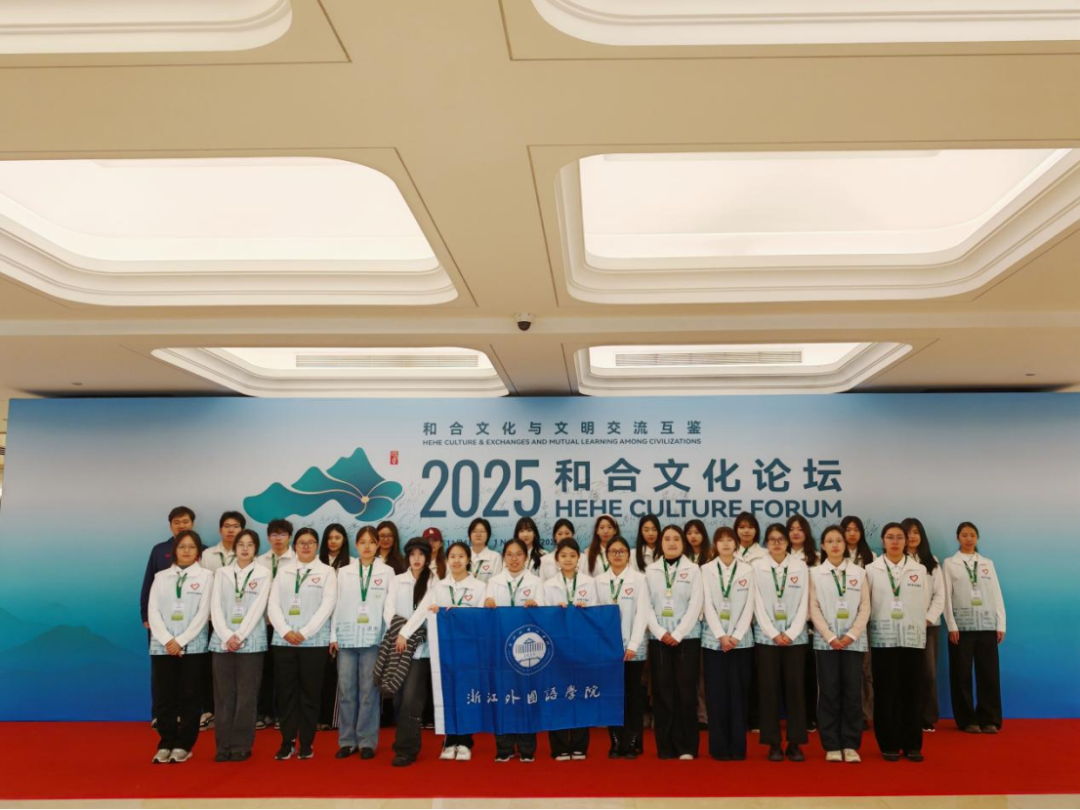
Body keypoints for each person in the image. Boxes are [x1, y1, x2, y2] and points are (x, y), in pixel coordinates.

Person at [402, 541, 488, 761]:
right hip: (445, 651)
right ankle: (449, 741)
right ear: (447, 560)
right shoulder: (439, 587)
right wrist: (404, 633)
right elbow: (422, 612)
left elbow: (482, 617)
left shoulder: (480, 587)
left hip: (469, 650)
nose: (456, 560)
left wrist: (458, 611)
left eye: (461, 556)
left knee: (466, 695)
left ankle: (465, 742)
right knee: (448, 695)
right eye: (452, 557)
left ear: (468, 560)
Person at [267, 527, 339, 760]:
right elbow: (273, 604)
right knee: (286, 693)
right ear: (295, 546)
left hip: (314, 643)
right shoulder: (284, 571)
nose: (306, 546)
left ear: (317, 546)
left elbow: (328, 605)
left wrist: (305, 632)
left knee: (310, 694)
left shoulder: (327, 572)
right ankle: (287, 742)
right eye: (301, 542)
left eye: (310, 542)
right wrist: (286, 631)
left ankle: (307, 743)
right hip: (284, 641)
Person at [147, 529, 213, 764]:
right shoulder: (161, 577)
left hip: (192, 646)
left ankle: (184, 745)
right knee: (164, 696)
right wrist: (168, 640)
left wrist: (181, 641)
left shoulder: (206, 577)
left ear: (198, 552)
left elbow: (203, 613)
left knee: (190, 697)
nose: (186, 551)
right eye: (182, 546)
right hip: (162, 646)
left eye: (191, 547)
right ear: (174, 550)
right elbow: (153, 611)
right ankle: (166, 742)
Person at [865, 522, 928, 762]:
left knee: (912, 692)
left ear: (906, 540)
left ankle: (912, 744)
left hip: (912, 638)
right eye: (890, 537)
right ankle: (888, 744)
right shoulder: (871, 569)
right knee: (886, 692)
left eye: (899, 537)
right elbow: (867, 604)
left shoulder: (918, 569)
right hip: (883, 639)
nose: (895, 541)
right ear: (883, 541)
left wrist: (922, 621)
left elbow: (924, 601)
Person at [809, 525, 870, 764]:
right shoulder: (815, 573)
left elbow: (865, 606)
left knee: (852, 692)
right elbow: (813, 607)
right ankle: (831, 744)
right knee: (829, 691)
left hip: (853, 642)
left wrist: (852, 634)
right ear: (823, 546)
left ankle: (850, 744)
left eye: (839, 541)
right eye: (830, 541)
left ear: (845, 545)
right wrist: (829, 636)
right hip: (826, 642)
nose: (835, 545)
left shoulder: (859, 573)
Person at [330, 525, 393, 760]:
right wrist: (333, 636)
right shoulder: (344, 571)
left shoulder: (387, 572)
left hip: (373, 639)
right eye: (363, 542)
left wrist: (387, 637)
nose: (367, 546)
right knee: (346, 691)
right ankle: (347, 741)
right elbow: (336, 604)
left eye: (372, 542)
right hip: (346, 638)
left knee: (369, 692)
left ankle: (367, 741)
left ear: (378, 545)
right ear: (356, 545)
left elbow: (389, 607)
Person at [209, 528, 271, 762]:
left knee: (247, 695)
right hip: (222, 642)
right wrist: (227, 635)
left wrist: (241, 634)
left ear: (256, 549)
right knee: (224, 696)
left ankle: (241, 745)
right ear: (234, 548)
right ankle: (222, 746)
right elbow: (215, 606)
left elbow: (258, 607)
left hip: (251, 642)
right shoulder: (222, 573)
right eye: (241, 544)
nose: (245, 549)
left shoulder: (263, 573)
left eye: (250, 545)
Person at [644, 525, 704, 761]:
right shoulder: (651, 570)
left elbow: (696, 604)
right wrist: (660, 632)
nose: (671, 543)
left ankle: (686, 746)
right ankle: (665, 746)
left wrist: (678, 633)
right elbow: (646, 605)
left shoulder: (693, 570)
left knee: (686, 693)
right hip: (659, 639)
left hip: (687, 638)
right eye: (667, 539)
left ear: (683, 543)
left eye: (676, 539)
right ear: (661, 543)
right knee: (663, 692)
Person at [752, 523, 810, 762]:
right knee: (768, 690)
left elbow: (805, 601)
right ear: (766, 543)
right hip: (766, 638)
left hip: (796, 638)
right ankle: (773, 743)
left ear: (788, 542)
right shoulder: (757, 567)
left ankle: (795, 743)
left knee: (796, 690)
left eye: (781, 539)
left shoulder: (800, 566)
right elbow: (756, 603)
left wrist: (792, 632)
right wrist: (773, 633)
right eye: (772, 539)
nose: (776, 543)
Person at [484, 538, 546, 761]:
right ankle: (504, 747)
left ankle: (527, 748)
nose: (514, 559)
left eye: (518, 554)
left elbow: (544, 614)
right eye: (509, 554)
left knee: (526, 695)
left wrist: (536, 606)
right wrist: (487, 604)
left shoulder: (535, 582)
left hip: (526, 650)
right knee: (503, 696)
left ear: (526, 557)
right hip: (500, 647)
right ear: (504, 557)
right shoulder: (494, 582)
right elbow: (484, 615)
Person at [943, 521, 1006, 734]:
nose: (968, 539)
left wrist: (1000, 624)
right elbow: (946, 597)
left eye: (972, 535)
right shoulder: (950, 564)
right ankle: (967, 719)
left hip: (987, 625)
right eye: (964, 535)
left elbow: (996, 593)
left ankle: (990, 719)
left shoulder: (987, 563)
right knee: (961, 674)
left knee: (989, 674)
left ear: (977, 538)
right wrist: (951, 625)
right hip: (961, 628)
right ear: (958, 538)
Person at [700, 526, 756, 761]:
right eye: (720, 540)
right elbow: (707, 604)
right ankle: (719, 747)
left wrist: (736, 635)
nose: (725, 544)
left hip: (741, 642)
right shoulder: (706, 569)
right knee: (716, 694)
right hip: (714, 641)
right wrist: (721, 635)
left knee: (739, 694)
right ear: (715, 545)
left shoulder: (747, 570)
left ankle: (738, 746)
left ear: (736, 544)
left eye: (729, 540)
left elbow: (750, 605)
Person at [139, 506, 196, 727]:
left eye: (185, 521)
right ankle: (160, 714)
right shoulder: (159, 550)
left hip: (191, 624)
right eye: (177, 522)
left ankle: (184, 714)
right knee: (161, 672)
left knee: (188, 673)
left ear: (192, 523)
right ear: (170, 525)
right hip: (160, 623)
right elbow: (148, 584)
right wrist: (146, 614)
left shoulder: (201, 549)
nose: (181, 525)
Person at [544, 538, 599, 760]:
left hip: (582, 648)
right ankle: (558, 746)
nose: (568, 559)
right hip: (556, 649)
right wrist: (553, 611)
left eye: (572, 555)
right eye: (563, 555)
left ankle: (579, 745)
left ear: (579, 558)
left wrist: (587, 610)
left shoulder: (589, 583)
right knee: (556, 694)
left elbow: (597, 615)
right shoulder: (548, 585)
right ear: (557, 559)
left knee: (580, 694)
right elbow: (542, 618)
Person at [596, 536, 648, 759]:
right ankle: (616, 742)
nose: (617, 555)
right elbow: (596, 615)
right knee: (613, 694)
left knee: (633, 694)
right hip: (608, 649)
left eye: (622, 551)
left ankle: (633, 741)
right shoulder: (598, 581)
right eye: (613, 552)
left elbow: (642, 613)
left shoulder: (639, 580)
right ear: (607, 556)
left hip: (633, 648)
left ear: (628, 555)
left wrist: (634, 644)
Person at [388, 538, 436, 767]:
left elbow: (423, 611)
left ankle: (406, 749)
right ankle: (404, 739)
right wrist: (398, 633)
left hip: (420, 649)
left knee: (411, 699)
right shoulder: (397, 580)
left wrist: (406, 633)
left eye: (421, 554)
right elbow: (388, 609)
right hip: (398, 645)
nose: (417, 559)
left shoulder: (434, 581)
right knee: (398, 699)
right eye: (413, 554)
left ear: (427, 557)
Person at [902, 517, 945, 732]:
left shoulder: (931, 561)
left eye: (916, 532)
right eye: (907, 532)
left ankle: (927, 717)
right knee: (905, 673)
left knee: (928, 674)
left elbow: (940, 594)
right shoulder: (894, 561)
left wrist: (928, 618)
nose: (912, 536)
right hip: (901, 627)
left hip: (928, 626)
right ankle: (906, 716)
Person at [255, 518, 295, 731]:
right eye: (274, 534)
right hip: (262, 624)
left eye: (282, 534)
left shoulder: (297, 560)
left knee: (284, 672)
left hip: (286, 626)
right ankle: (264, 713)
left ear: (289, 537)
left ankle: (282, 713)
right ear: (268, 537)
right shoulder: (259, 561)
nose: (278, 538)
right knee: (264, 671)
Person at [841, 514, 876, 728]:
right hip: (839, 621)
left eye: (856, 529)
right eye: (848, 529)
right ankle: (845, 712)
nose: (852, 533)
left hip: (864, 619)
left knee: (865, 669)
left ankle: (864, 713)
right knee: (843, 671)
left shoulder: (871, 557)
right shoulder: (835, 554)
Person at [787, 514, 820, 733]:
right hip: (785, 623)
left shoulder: (816, 558)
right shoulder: (780, 557)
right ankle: (791, 716)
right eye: (792, 529)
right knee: (789, 675)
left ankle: (809, 717)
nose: (796, 532)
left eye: (800, 528)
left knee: (809, 674)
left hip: (810, 622)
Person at [318, 523, 351, 731]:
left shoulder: (351, 564)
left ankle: (332, 718)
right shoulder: (317, 562)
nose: (333, 541)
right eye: (330, 538)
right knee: (317, 673)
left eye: (337, 537)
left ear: (344, 540)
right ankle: (317, 715)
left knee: (335, 674)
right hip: (317, 622)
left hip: (340, 622)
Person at [467, 517, 503, 584]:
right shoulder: (463, 554)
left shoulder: (495, 557)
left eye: (482, 531)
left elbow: (496, 583)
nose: (478, 534)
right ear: (469, 535)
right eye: (474, 531)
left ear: (488, 535)